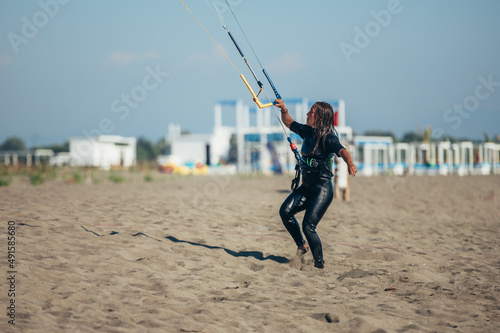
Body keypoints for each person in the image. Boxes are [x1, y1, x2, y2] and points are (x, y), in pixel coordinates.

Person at [275, 99, 357, 269]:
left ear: (319, 117)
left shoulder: (329, 139)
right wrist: (283, 109)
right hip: (306, 187)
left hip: (322, 190)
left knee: (308, 226)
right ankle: (301, 245)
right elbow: (289, 122)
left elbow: (342, 150)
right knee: (285, 211)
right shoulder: (306, 131)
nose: (307, 114)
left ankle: (319, 264)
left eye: (311, 112)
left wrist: (350, 163)